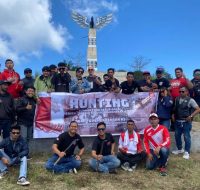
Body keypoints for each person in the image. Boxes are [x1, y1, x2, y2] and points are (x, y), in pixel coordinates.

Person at [172, 87, 200, 159]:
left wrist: (191, 116)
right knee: (177, 136)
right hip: (178, 121)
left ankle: (187, 152)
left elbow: (198, 109)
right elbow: (175, 108)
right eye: (180, 91)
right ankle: (180, 149)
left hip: (186, 122)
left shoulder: (191, 100)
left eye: (183, 91)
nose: (181, 93)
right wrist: (173, 115)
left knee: (186, 137)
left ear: (187, 92)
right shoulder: (177, 99)